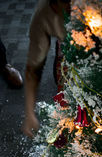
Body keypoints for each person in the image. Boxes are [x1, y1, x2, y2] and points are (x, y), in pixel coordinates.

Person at [22, 0, 71, 138]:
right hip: (67, 45)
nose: (72, 6)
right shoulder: (43, 14)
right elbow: (33, 69)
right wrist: (30, 113)